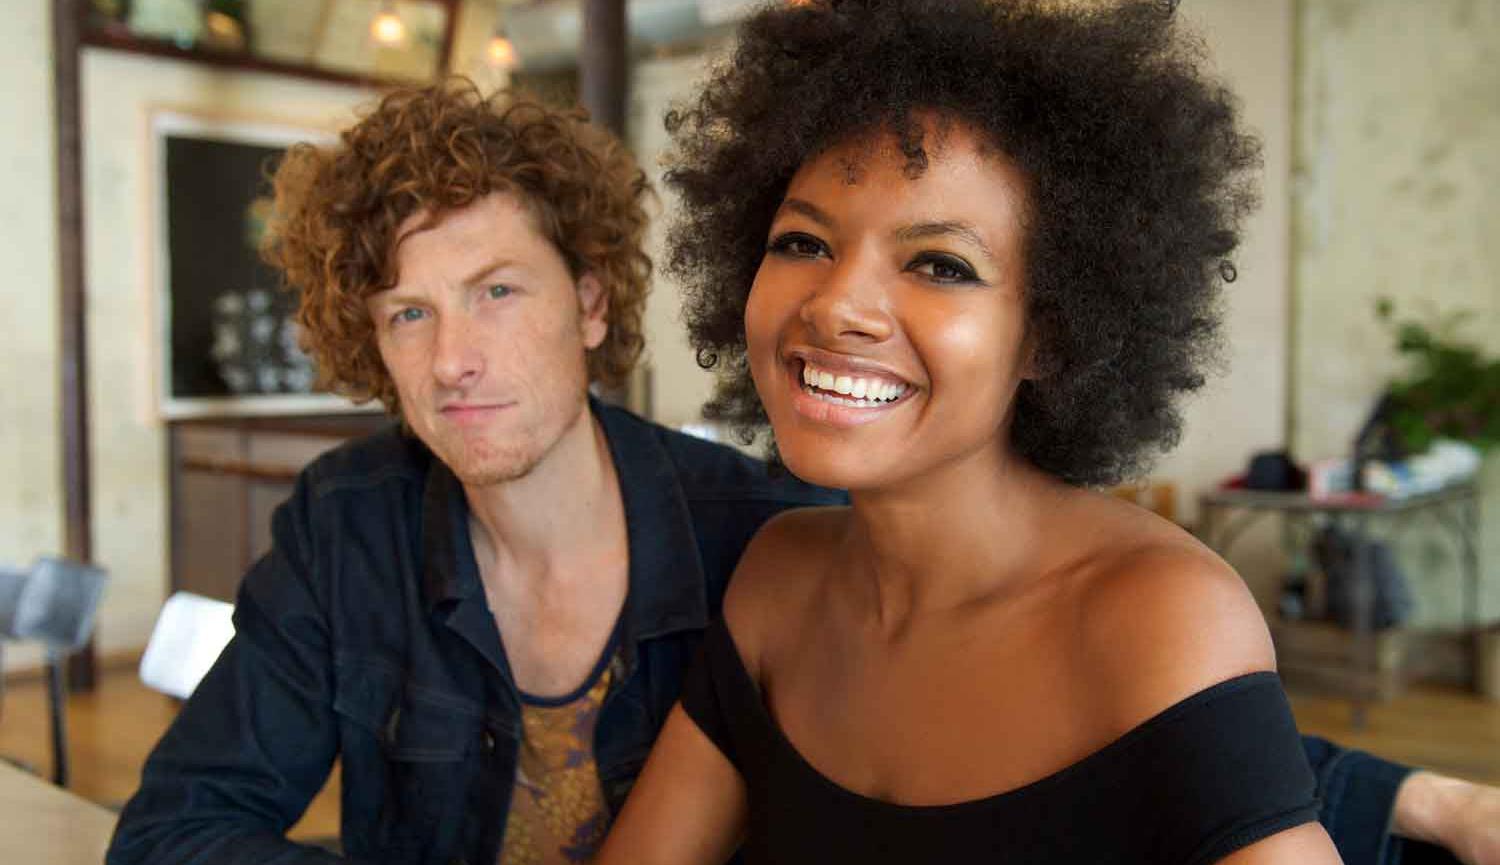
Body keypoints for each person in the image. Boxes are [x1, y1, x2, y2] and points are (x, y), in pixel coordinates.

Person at [104, 80, 1494, 865]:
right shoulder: (358, 531)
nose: (455, 355)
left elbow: (1104, 717)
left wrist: (1408, 799)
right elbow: (176, 832)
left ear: (594, 303)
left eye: (498, 293)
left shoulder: (749, 532)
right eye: (408, 313)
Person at [594, 1, 1500, 863]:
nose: (837, 306)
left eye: (940, 264)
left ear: (1053, 335)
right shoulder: (776, 586)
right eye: (802, 242)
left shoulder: (1156, 613)